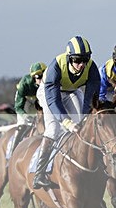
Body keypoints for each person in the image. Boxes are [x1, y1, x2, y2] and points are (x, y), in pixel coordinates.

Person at [33, 36, 100, 189]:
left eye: (85, 59)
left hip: (71, 91)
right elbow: (53, 101)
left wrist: (83, 118)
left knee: (82, 125)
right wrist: (66, 121)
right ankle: (39, 173)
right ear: (69, 58)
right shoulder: (55, 67)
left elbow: (90, 98)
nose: (81, 64)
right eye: (77, 60)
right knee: (54, 129)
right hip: (49, 93)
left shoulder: (92, 68)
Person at [12, 62, 47, 150]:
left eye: (43, 76)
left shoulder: (49, 82)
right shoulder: (24, 84)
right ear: (33, 77)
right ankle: (13, 151)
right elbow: (18, 107)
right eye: (38, 77)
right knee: (22, 125)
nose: (41, 79)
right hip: (26, 99)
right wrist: (25, 116)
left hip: (38, 98)